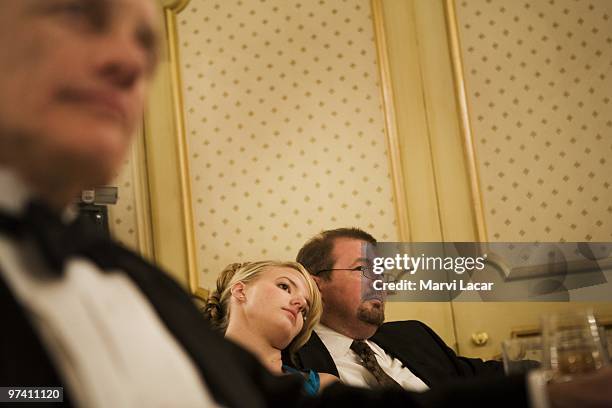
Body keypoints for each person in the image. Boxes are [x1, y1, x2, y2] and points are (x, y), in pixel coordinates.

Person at [1, 0, 611, 407]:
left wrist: (558, 393)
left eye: (144, 42)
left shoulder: (136, 284)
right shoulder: (295, 353)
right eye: (80, 15)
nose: (128, 61)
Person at [290, 227, 504, 390]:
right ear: (315, 285)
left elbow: (487, 376)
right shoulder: (291, 361)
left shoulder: (415, 335)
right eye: (363, 269)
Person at [201, 261, 338, 395]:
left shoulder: (325, 387)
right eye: (284, 286)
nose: (301, 303)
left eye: (305, 312)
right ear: (240, 291)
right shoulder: (192, 371)